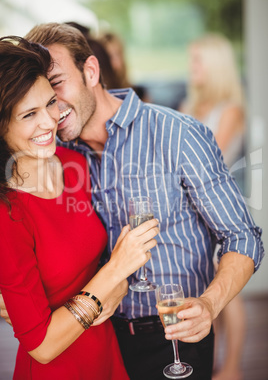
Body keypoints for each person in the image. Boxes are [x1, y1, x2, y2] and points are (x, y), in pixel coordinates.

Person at [0, 23, 264, 380]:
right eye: (36, 101)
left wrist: (210, 304)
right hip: (98, 336)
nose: (51, 109)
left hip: (172, 335)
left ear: (90, 71)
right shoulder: (57, 153)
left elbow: (242, 237)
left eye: (55, 85)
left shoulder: (178, 134)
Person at [0, 36, 159, 380]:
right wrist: (115, 272)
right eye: (29, 114)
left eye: (50, 103)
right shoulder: (8, 213)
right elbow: (40, 346)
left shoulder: (75, 163)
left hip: (107, 353)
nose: (49, 122)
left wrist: (114, 286)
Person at [181, 33, 247, 380]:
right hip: (191, 209)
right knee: (206, 289)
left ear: (216, 66)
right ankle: (210, 363)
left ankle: (232, 366)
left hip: (219, 208)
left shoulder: (231, 109)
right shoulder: (191, 106)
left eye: (197, 60)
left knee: (227, 290)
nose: (191, 67)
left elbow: (209, 159)